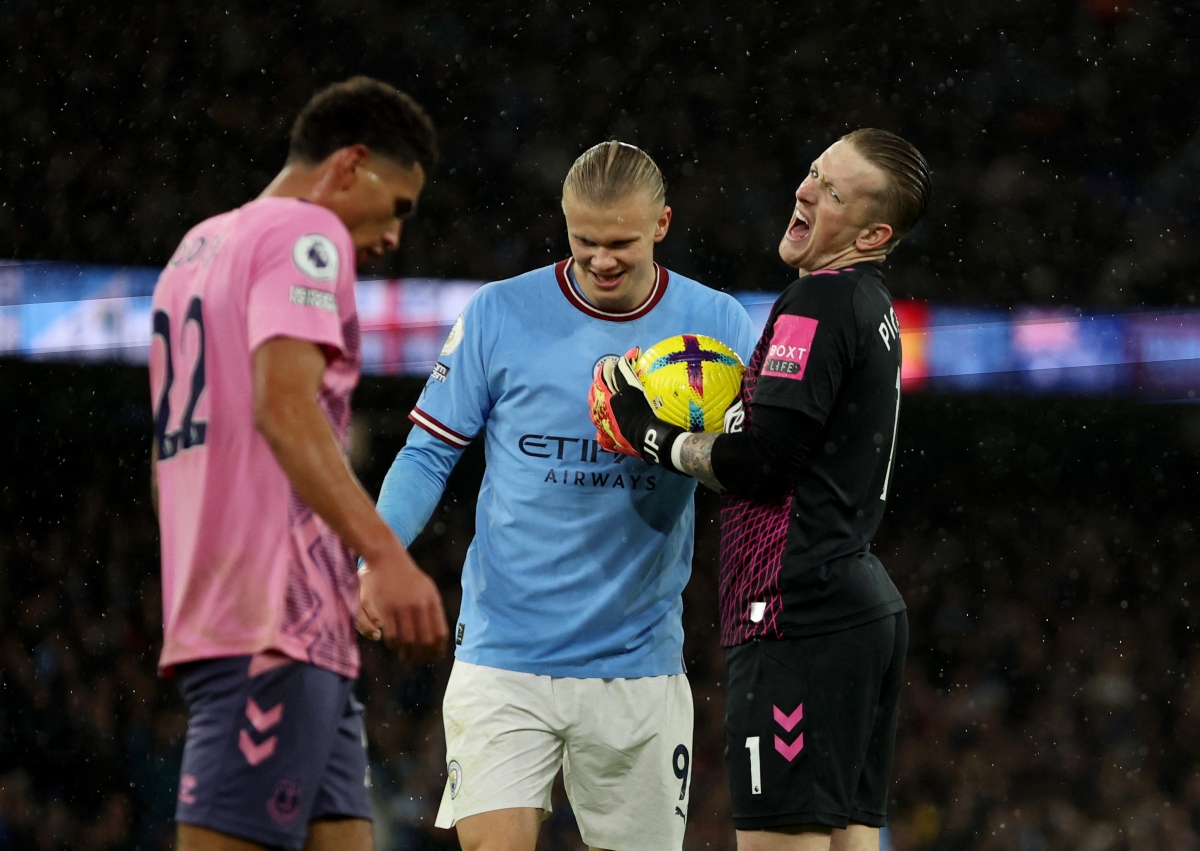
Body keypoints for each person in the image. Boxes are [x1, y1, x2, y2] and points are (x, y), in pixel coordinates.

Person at [371, 140, 756, 851]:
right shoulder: (500, 313)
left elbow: (754, 471)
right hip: (502, 654)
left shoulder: (720, 327)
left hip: (637, 661)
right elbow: (428, 455)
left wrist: (663, 442)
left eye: (622, 243)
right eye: (584, 242)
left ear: (663, 224)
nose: (602, 260)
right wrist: (377, 559)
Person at [591, 128, 931, 851]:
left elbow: (764, 461)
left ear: (873, 232)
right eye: (814, 172)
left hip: (794, 613)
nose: (805, 189)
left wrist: (648, 431)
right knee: (851, 839)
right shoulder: (870, 304)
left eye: (832, 192)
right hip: (855, 607)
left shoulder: (815, 302)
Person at [149, 76, 449, 851]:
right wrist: (386, 554)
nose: (392, 239)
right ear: (350, 166)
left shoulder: (197, 247)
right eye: (399, 207)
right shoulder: (305, 239)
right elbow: (283, 410)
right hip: (271, 622)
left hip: (266, 612)